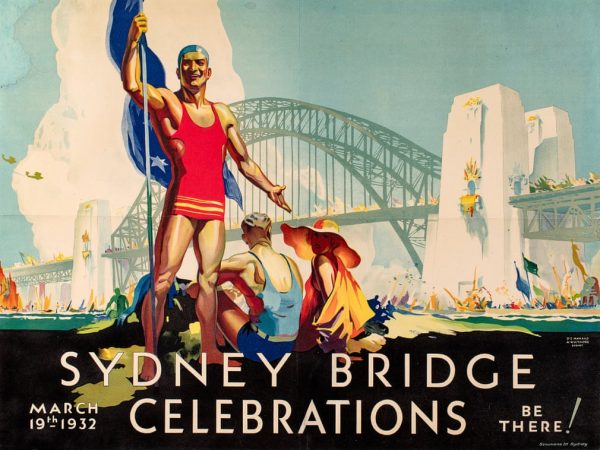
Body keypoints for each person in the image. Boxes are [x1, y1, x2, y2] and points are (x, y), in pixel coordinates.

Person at [122, 14, 291, 378]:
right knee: (164, 279)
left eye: (200, 64)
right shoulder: (170, 103)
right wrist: (133, 41)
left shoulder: (222, 114)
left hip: (213, 209)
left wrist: (270, 187)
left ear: (209, 72)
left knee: (209, 280)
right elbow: (133, 85)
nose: (193, 70)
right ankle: (151, 354)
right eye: (187, 65)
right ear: (180, 72)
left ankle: (211, 350)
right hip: (182, 204)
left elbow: (244, 161)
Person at [186, 213, 303, 362]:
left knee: (213, 292)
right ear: (268, 231)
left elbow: (198, 285)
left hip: (260, 347)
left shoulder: (245, 262)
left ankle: (215, 346)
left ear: (245, 237)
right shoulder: (290, 262)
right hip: (289, 344)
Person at [281, 219, 385, 354]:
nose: (316, 240)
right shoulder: (332, 260)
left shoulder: (322, 260)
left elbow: (331, 302)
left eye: (323, 236)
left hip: (320, 328)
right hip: (327, 325)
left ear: (332, 240)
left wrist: (338, 339)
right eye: (314, 235)